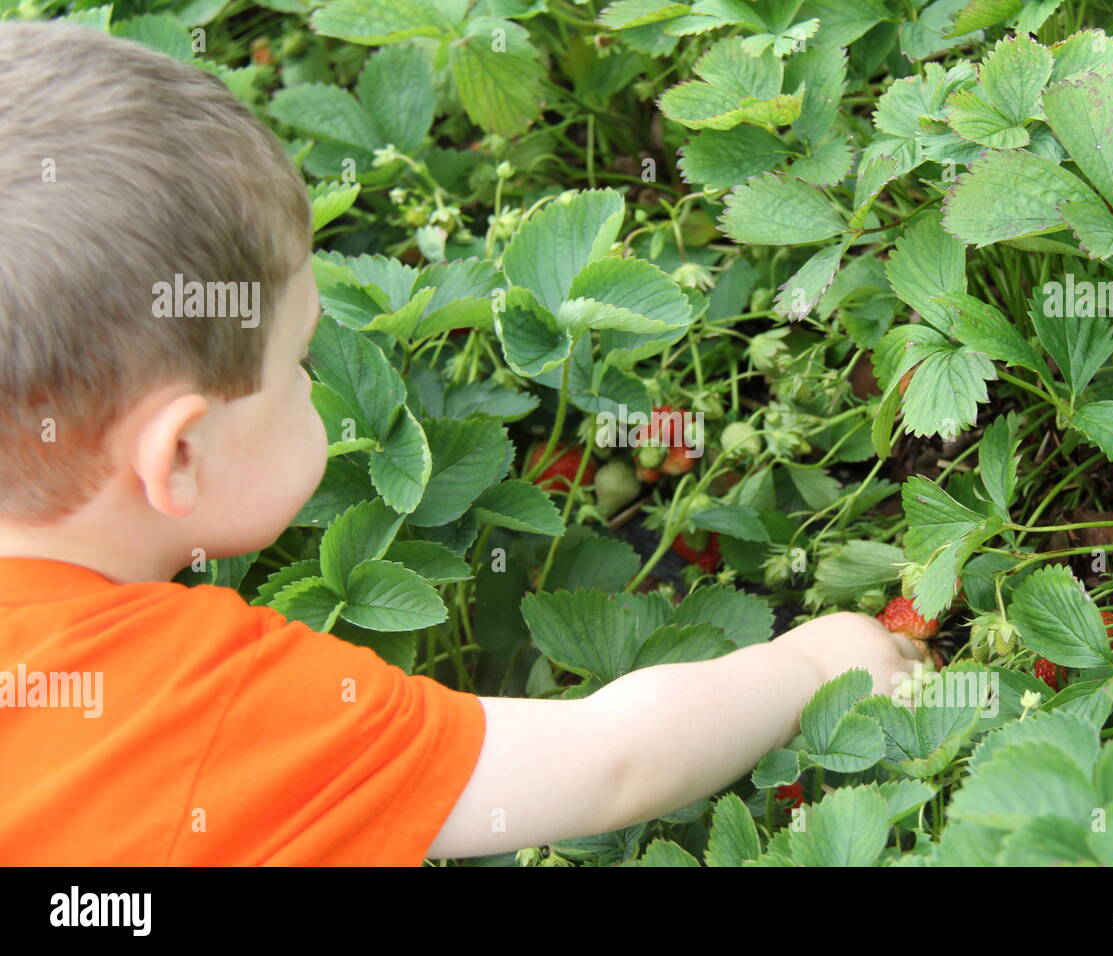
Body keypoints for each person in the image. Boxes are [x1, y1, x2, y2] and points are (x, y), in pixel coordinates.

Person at [0, 20, 920, 865]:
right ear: (180, 456)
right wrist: (811, 665)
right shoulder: (204, 710)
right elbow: (613, 764)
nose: (319, 383)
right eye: (299, 362)